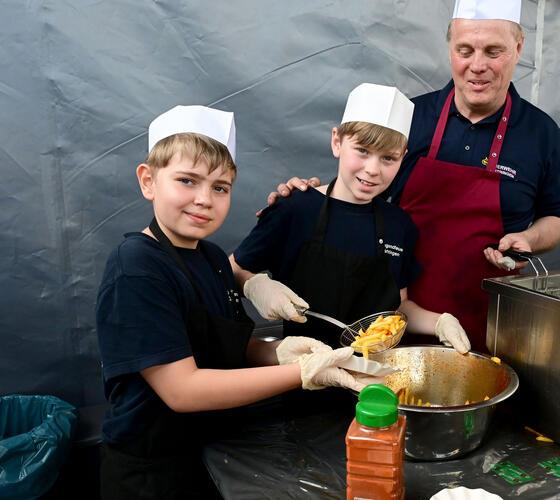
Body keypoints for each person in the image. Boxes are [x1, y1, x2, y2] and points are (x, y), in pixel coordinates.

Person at [95, 105, 367, 500]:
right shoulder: (137, 269)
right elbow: (182, 390)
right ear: (148, 180)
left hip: (213, 449)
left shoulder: (210, 258)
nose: (204, 199)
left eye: (220, 187)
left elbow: (231, 344)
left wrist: (279, 352)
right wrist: (303, 372)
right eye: (187, 181)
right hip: (153, 469)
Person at [267, 0, 560, 352]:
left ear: (518, 48)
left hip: (494, 321)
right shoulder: (410, 118)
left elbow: (557, 218)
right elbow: (363, 186)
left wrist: (530, 239)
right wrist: (309, 197)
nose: (477, 65)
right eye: (465, 50)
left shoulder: (542, 134)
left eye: (493, 51)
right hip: (394, 315)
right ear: (450, 49)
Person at [230, 84, 471, 354]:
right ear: (337, 142)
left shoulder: (399, 225)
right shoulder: (296, 208)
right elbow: (232, 268)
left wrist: (439, 322)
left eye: (388, 158)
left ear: (403, 158)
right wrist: (254, 285)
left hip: (377, 380)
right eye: (363, 151)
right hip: (302, 376)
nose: (372, 169)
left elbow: (399, 307)